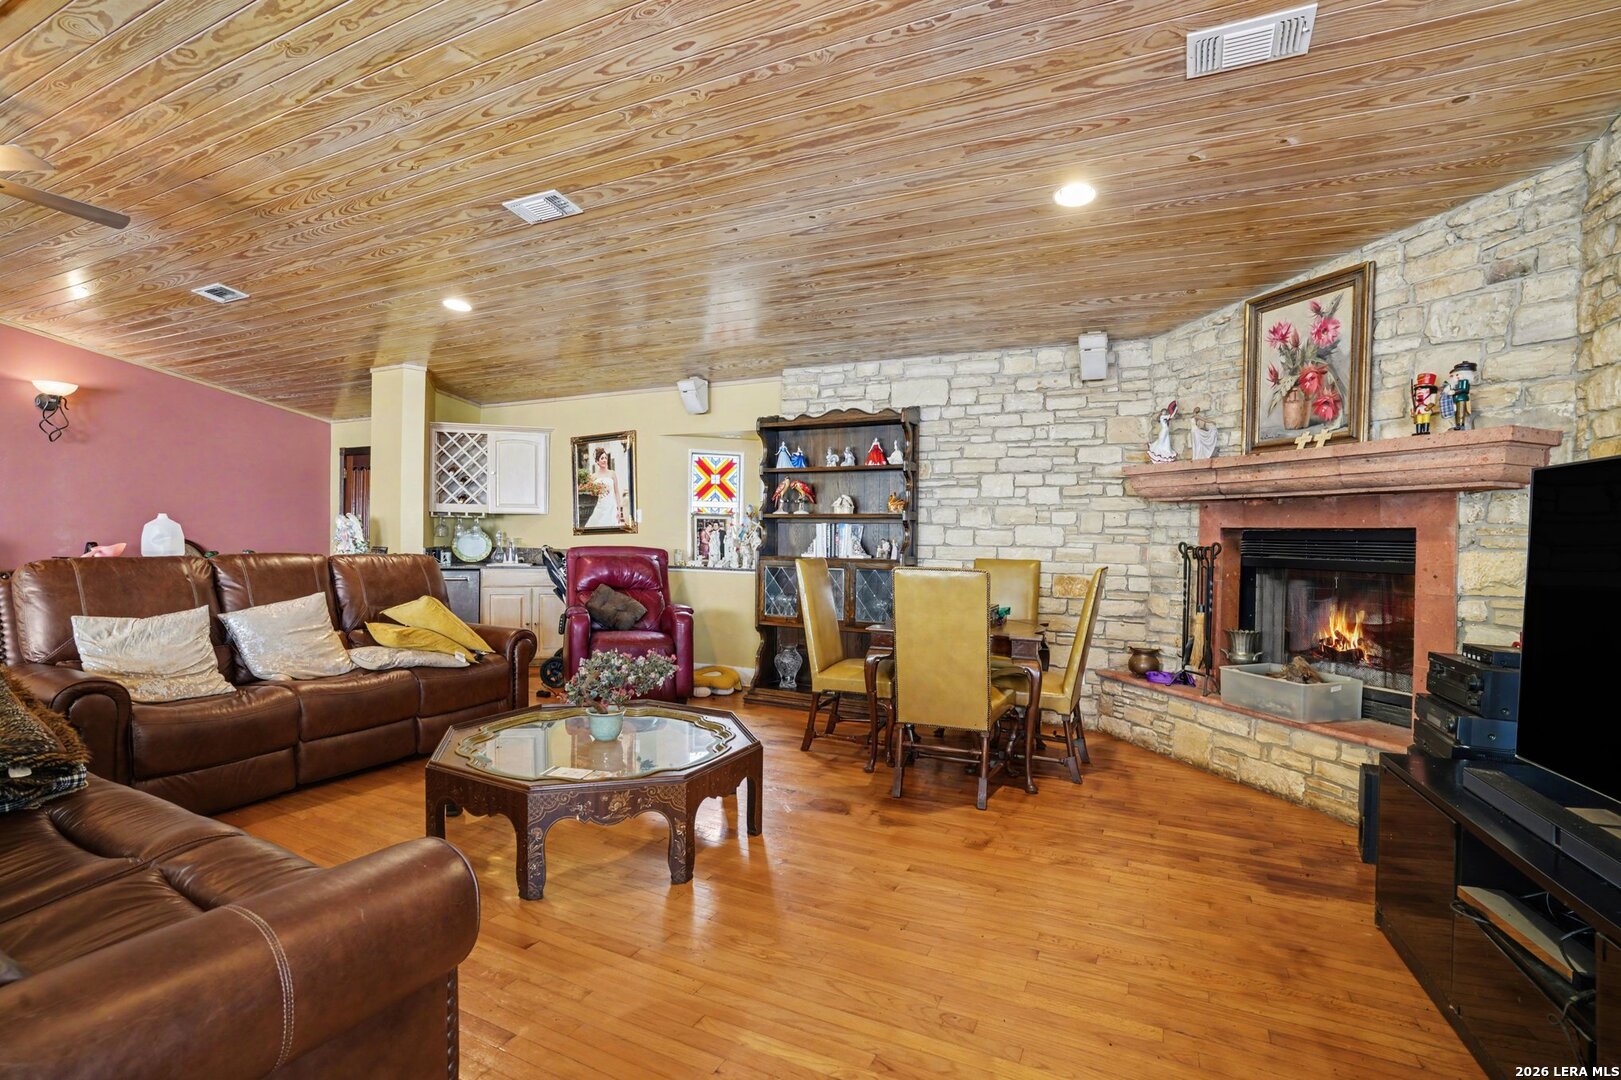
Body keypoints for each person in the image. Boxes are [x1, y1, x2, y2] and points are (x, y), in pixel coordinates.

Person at [583, 447, 625, 528]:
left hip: (611, 508)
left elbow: (616, 492)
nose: (604, 460)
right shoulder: (593, 477)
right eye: (602, 458)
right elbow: (590, 493)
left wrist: (619, 510)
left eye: (606, 458)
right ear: (597, 461)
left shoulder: (612, 474)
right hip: (599, 508)